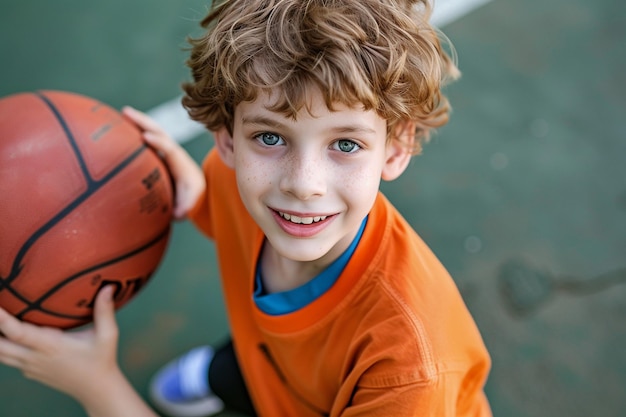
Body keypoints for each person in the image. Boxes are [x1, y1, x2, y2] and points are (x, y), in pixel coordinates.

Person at [0, 0, 493, 416]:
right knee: (259, 357)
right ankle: (232, 375)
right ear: (227, 140)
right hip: (279, 363)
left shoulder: (409, 375)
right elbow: (224, 209)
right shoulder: (231, 183)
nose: (302, 186)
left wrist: (96, 384)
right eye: (270, 137)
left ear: (395, 147)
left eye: (345, 144)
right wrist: (196, 193)